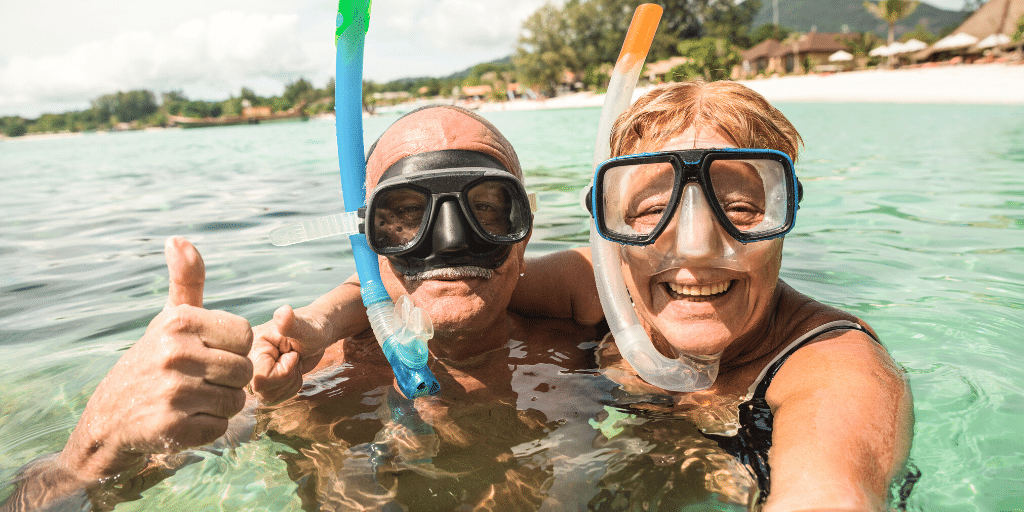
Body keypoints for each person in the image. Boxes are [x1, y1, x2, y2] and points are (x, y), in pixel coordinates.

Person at [1, 105, 606, 512]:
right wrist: (87, 456)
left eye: (489, 207)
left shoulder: (587, 336)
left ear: (526, 227)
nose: (451, 241)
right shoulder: (297, 379)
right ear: (366, 239)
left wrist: (342, 307)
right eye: (405, 215)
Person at [513, 79, 916, 511]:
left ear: (787, 211)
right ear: (609, 230)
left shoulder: (837, 369)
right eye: (652, 210)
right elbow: (470, 296)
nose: (695, 245)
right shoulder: (600, 282)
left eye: (739, 207)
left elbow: (829, 491)